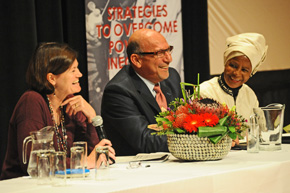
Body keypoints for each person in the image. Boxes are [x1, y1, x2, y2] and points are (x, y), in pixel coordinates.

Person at [0, 42, 115, 180]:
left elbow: (93, 155)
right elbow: (35, 163)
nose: (80, 74)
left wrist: (91, 116)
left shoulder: (70, 103)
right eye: (73, 70)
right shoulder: (31, 102)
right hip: (24, 186)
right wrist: (82, 162)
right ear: (52, 78)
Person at [101, 29, 183, 156]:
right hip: (136, 168)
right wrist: (193, 137)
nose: (169, 59)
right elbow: (145, 140)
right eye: (160, 53)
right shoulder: (119, 91)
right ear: (137, 60)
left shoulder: (172, 77)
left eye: (168, 50)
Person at [199, 33, 268, 145]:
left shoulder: (249, 94)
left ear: (251, 73)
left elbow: (261, 131)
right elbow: (197, 132)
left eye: (244, 70)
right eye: (233, 65)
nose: (237, 73)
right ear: (225, 62)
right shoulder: (205, 91)